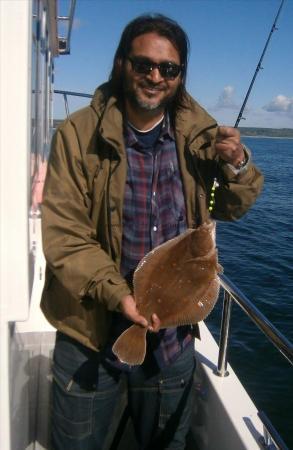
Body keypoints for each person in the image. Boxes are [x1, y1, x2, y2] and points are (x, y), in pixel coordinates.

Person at [41, 14, 263, 450]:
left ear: (180, 76)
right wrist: (118, 295)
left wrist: (236, 165)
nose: (154, 76)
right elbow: (65, 235)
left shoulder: (200, 138)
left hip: (172, 342)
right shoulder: (77, 134)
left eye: (168, 68)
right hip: (90, 332)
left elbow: (232, 207)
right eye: (143, 64)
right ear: (122, 63)